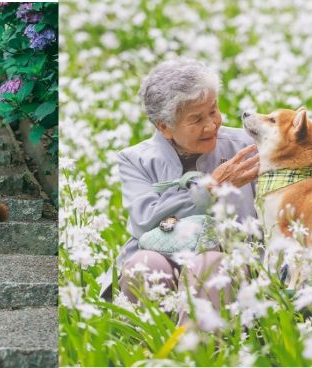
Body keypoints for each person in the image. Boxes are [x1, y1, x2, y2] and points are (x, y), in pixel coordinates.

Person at [100, 58, 260, 325]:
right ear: (164, 127)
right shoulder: (135, 159)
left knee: (210, 265)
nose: (211, 125)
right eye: (196, 119)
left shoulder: (245, 146)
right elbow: (145, 223)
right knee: (146, 264)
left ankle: (193, 354)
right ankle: (149, 350)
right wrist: (209, 190)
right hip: (164, 259)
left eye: (213, 110)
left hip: (230, 264)